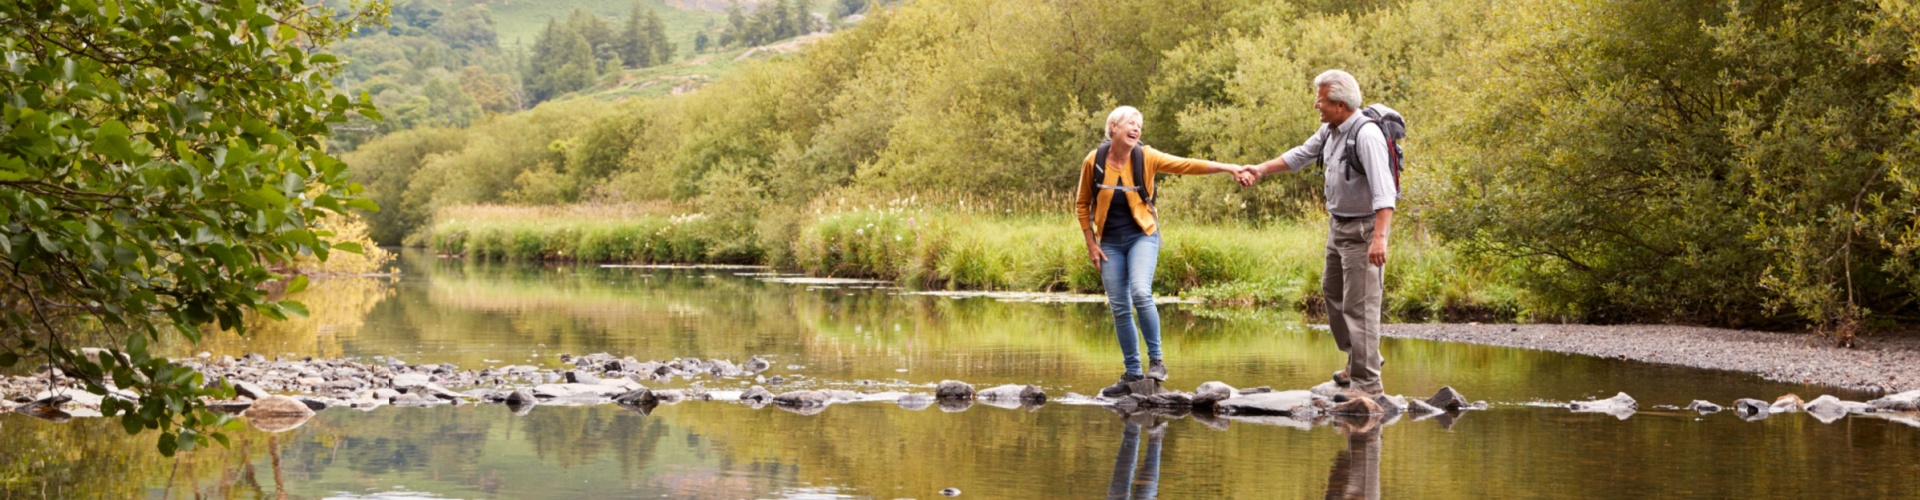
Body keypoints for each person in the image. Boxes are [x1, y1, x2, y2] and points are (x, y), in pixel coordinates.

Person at [1236, 70, 1397, 401]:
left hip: (1364, 230)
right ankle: (1358, 360)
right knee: (1332, 293)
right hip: (1337, 227)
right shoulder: (1331, 130)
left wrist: (1380, 238)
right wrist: (1260, 169)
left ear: (1340, 104)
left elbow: (1385, 193)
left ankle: (1368, 383)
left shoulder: (1366, 137)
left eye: (1321, 100)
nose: (1316, 105)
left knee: (1360, 305)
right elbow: (1300, 155)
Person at [1075, 106, 1248, 398]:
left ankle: (1157, 363)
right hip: (1109, 244)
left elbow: (1187, 164)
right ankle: (1132, 373)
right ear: (1113, 127)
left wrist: (1229, 167)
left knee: (1141, 293)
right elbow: (1082, 204)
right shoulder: (1095, 161)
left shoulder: (1147, 156)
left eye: (1139, 125)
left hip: (1143, 235)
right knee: (1119, 306)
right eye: (1131, 123)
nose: (1136, 128)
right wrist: (1091, 243)